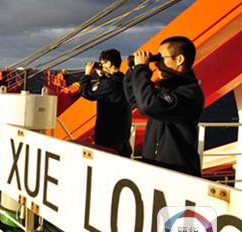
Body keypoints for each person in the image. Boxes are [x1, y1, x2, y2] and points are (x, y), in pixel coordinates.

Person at [123, 36, 204, 176]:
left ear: (179, 59)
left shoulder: (188, 93)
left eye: (161, 58)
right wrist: (134, 70)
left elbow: (148, 105)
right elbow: (134, 99)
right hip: (156, 168)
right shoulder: (166, 89)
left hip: (176, 173)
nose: (156, 63)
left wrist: (142, 68)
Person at [80, 49, 132, 157]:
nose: (101, 66)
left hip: (108, 138)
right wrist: (102, 76)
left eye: (102, 63)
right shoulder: (124, 80)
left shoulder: (109, 84)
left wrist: (87, 75)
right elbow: (110, 89)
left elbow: (87, 93)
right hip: (122, 138)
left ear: (108, 63)